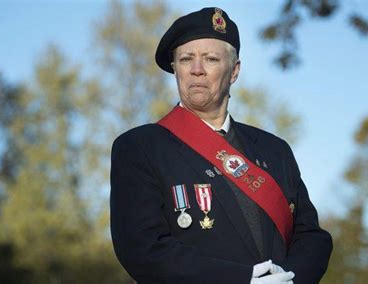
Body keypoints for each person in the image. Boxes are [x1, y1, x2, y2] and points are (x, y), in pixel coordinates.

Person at [110, 7, 332, 284]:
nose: (197, 70)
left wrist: (290, 280)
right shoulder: (140, 147)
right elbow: (143, 249)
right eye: (186, 59)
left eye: (211, 59)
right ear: (175, 69)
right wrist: (241, 280)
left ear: (234, 71)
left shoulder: (275, 150)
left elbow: (310, 237)